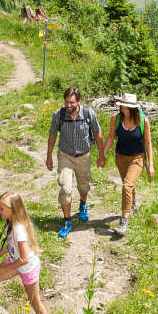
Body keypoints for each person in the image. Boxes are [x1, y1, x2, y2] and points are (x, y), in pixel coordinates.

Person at [0, 191, 49, 314]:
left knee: (35, 302)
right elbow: (13, 246)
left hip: (27, 268)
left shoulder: (19, 230)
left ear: (13, 209)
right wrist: (1, 253)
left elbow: (24, 259)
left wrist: (3, 270)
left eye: (2, 209)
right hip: (14, 262)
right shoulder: (10, 222)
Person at [45, 85, 102, 240]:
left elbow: (97, 134)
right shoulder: (59, 115)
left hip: (84, 156)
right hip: (65, 156)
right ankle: (67, 221)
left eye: (72, 103)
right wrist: (49, 156)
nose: (68, 106)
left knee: (83, 186)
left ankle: (83, 204)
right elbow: (52, 135)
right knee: (66, 188)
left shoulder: (88, 114)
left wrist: (101, 155)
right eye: (66, 102)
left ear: (79, 101)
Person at [97, 93, 154, 238]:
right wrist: (102, 155)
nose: (124, 108)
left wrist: (150, 165)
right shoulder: (115, 119)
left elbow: (148, 143)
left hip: (137, 159)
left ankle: (124, 221)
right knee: (128, 184)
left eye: (127, 106)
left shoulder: (143, 121)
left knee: (127, 185)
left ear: (133, 107)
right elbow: (111, 137)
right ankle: (133, 202)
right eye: (122, 105)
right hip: (120, 158)